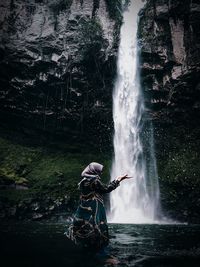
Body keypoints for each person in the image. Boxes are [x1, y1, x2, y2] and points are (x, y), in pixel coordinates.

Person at [66, 162, 131, 252]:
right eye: (99, 171)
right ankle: (99, 247)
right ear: (93, 171)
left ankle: (85, 243)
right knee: (97, 223)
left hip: (84, 205)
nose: (100, 173)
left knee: (85, 223)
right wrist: (118, 180)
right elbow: (106, 189)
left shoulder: (83, 181)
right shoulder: (94, 181)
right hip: (94, 205)